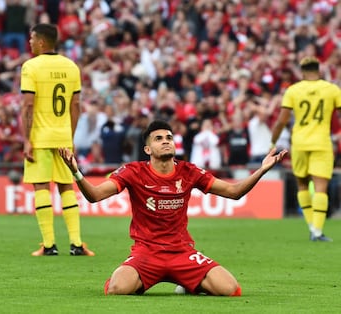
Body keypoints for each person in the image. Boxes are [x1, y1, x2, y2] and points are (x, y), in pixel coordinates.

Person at [59, 120, 287, 296]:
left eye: (169, 137)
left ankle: (187, 284)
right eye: (158, 138)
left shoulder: (189, 171)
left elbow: (234, 192)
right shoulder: (133, 171)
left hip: (182, 252)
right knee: (116, 288)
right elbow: (95, 196)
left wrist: (262, 169)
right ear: (148, 149)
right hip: (146, 253)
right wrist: (76, 173)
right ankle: (164, 281)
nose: (166, 141)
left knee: (231, 290)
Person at [20, 23, 94, 256]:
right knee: (66, 186)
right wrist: (68, 138)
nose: (30, 42)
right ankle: (77, 243)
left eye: (32, 38)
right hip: (63, 138)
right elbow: (76, 106)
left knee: (41, 186)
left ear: (42, 41)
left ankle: (49, 245)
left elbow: (28, 106)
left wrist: (25, 139)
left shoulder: (31, 66)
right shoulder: (71, 67)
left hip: (39, 137)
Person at [270, 56, 341, 242]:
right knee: (320, 188)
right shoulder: (332, 89)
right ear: (319, 70)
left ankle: (311, 227)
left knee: (302, 184)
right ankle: (317, 231)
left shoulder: (293, 90)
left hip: (299, 143)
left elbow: (281, 120)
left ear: (302, 71)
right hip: (322, 143)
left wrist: (273, 142)